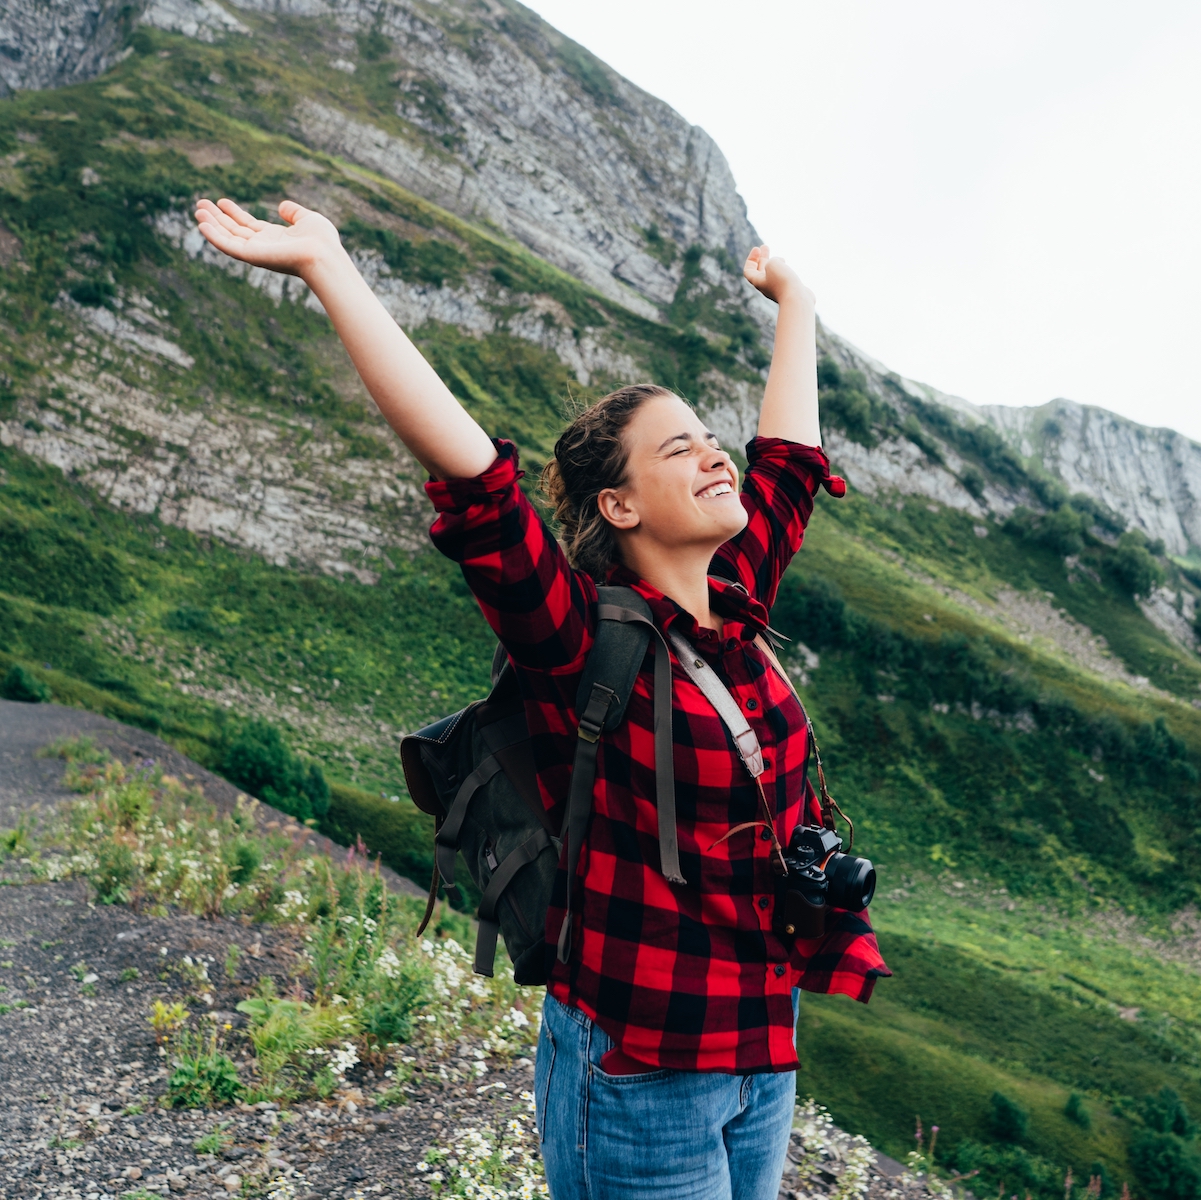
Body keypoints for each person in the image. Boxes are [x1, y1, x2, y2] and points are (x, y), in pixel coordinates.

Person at [193, 197, 889, 1200]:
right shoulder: (576, 641)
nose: (715, 454)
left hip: (762, 1047)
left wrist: (797, 305)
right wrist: (327, 267)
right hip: (641, 1070)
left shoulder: (739, 597)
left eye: (709, 438)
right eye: (678, 449)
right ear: (618, 504)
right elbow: (476, 483)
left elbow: (787, 463)